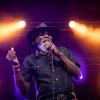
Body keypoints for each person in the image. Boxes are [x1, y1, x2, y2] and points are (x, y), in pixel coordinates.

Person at [6, 23, 81, 100]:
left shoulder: (63, 51)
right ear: (34, 41)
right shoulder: (30, 60)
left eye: (49, 34)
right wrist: (16, 67)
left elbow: (78, 75)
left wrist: (59, 54)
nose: (46, 35)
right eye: (41, 34)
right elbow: (23, 91)